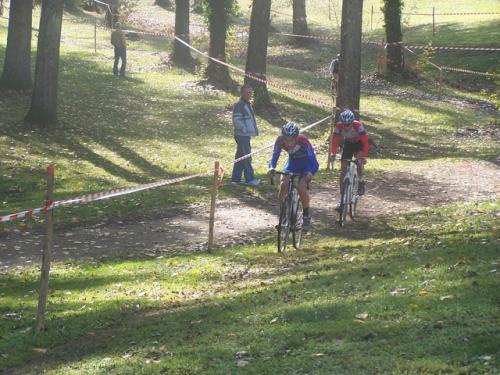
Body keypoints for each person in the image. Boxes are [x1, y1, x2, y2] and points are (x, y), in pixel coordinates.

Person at [268, 122, 319, 231]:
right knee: (283, 185)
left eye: (291, 139)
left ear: (296, 138)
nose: (288, 142)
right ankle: (283, 215)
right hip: (292, 163)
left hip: (306, 164)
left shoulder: (303, 141)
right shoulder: (279, 140)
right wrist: (271, 167)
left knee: (301, 187)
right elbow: (275, 156)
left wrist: (310, 172)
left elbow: (313, 160)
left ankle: (306, 216)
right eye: (286, 139)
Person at [331, 109, 369, 210]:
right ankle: (343, 200)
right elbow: (334, 142)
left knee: (359, 161)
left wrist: (363, 156)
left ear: (352, 122)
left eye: (348, 124)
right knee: (343, 171)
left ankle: (361, 181)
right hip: (348, 144)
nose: (346, 126)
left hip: (359, 144)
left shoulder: (358, 126)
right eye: (344, 124)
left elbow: (365, 142)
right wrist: (333, 153)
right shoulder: (338, 127)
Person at [231, 85, 260, 186]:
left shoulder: (247, 104)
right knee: (247, 157)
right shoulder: (240, 105)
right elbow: (236, 120)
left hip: (245, 135)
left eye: (251, 92)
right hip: (242, 135)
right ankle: (250, 179)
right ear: (242, 93)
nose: (250, 95)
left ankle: (235, 179)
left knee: (240, 157)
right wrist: (244, 129)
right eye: (248, 93)